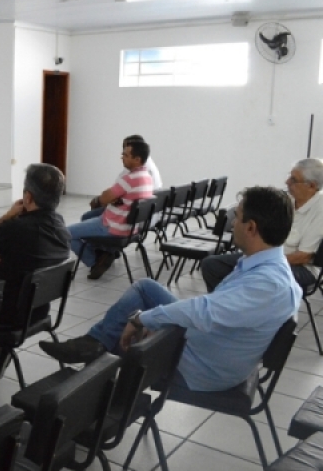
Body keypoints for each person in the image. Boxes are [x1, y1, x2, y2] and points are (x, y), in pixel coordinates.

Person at [41, 186, 301, 392]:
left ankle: (93, 394)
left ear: (252, 228)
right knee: (145, 288)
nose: (232, 223)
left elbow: (205, 311)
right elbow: (213, 310)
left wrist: (144, 318)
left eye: (238, 218)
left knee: (128, 333)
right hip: (209, 343)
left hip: (200, 367)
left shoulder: (268, 283)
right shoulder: (266, 264)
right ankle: (96, 346)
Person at [0, 163, 71, 387]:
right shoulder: (62, 229)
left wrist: (6, 217)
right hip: (36, 311)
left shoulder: (14, 228)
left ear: (27, 197)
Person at [202, 158, 323, 292]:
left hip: (301, 268)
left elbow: (303, 256)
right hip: (268, 256)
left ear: (312, 186)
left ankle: (244, 308)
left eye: (293, 180)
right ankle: (224, 307)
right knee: (212, 264)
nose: (287, 182)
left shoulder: (320, 210)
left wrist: (258, 263)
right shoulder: (288, 199)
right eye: (289, 176)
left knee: (254, 278)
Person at [68, 140, 154, 279]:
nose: (122, 157)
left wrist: (110, 198)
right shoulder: (147, 177)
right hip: (130, 227)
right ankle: (102, 256)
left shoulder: (129, 178)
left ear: (137, 159)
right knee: (87, 219)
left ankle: (95, 261)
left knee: (67, 233)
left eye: (126, 155)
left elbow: (103, 198)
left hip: (112, 226)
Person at [81, 135, 162, 222]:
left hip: (130, 216)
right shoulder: (146, 169)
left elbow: (112, 196)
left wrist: (99, 200)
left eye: (126, 152)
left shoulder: (135, 173)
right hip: (145, 212)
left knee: (89, 214)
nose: (122, 154)